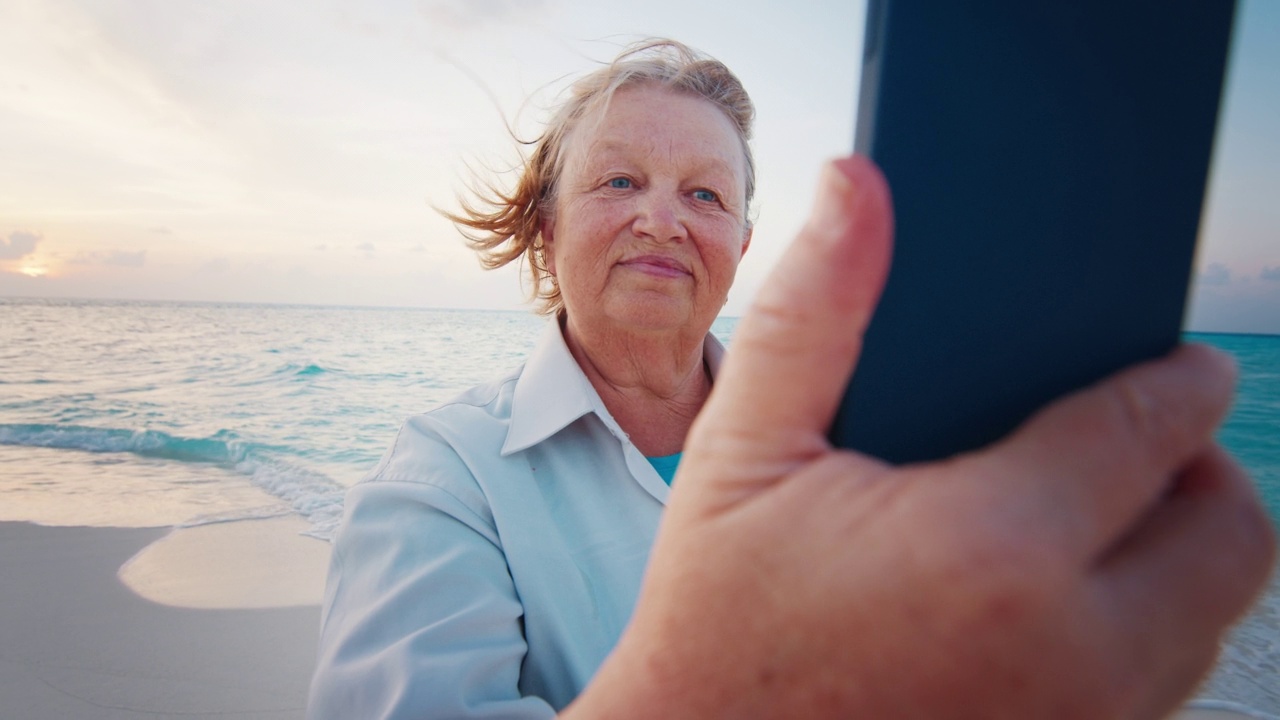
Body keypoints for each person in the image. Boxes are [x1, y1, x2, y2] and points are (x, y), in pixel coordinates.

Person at [308, 40, 1275, 720]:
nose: (662, 219)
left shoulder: (860, 438)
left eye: (704, 195)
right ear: (548, 225)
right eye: (617, 182)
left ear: (741, 244)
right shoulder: (445, 476)